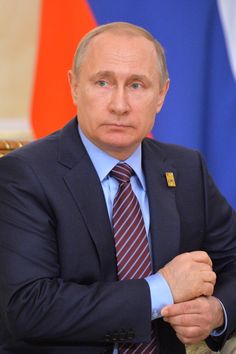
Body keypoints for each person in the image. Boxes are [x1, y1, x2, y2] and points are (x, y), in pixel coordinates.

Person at [0, 22, 235, 354]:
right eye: (103, 82)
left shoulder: (186, 169)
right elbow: (29, 307)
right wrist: (162, 291)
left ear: (162, 95)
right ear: (74, 86)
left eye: (137, 85)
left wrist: (217, 311)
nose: (120, 105)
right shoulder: (23, 174)